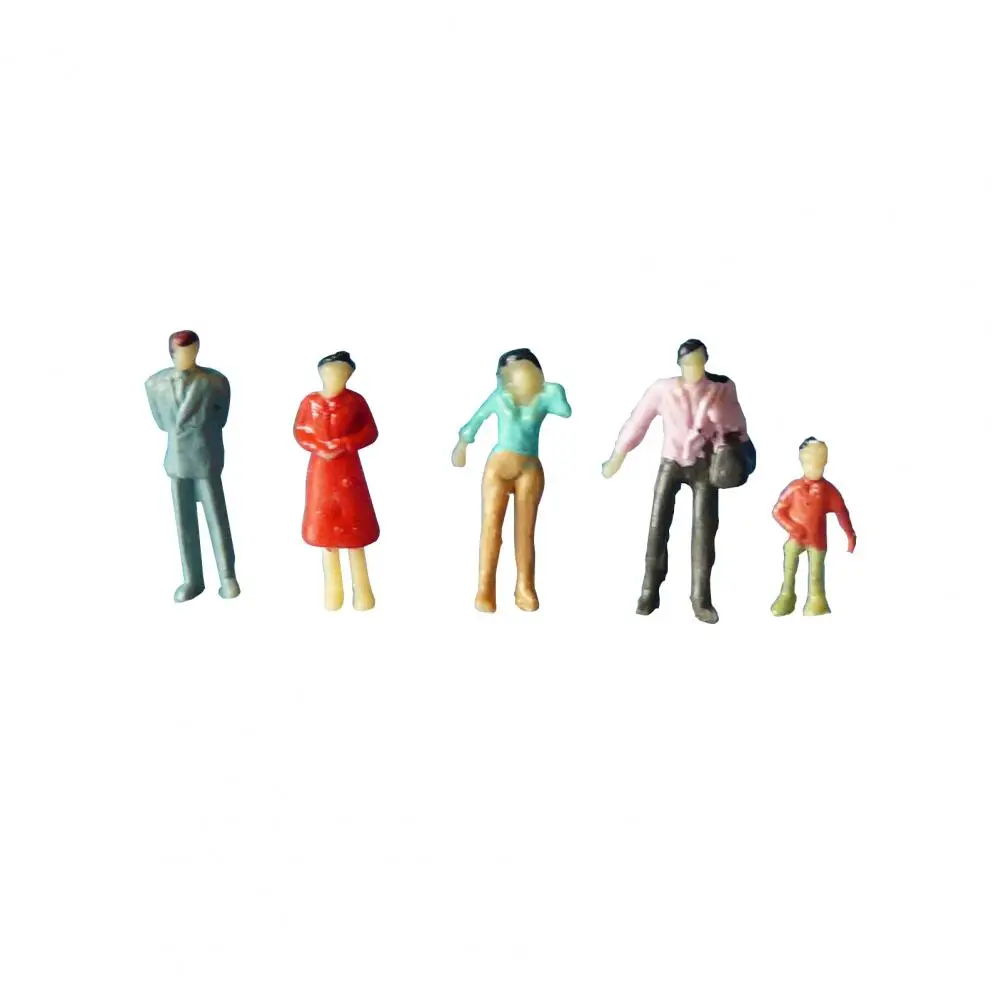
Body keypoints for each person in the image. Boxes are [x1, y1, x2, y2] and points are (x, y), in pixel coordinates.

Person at [602, 339, 749, 623]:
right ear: (679, 364)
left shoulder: (721, 388)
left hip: (705, 465)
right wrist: (617, 456)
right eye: (687, 363)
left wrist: (722, 424)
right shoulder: (663, 389)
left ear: (706, 361)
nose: (693, 368)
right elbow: (638, 422)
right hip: (671, 463)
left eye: (698, 362)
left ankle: (701, 598)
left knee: (704, 532)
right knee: (657, 526)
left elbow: (739, 427)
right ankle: (649, 590)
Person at [452, 349, 571, 612]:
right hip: (498, 468)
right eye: (505, 375)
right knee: (491, 528)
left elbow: (565, 411)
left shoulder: (544, 396)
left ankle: (525, 586)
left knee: (525, 532)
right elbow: (474, 422)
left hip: (529, 468)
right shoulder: (500, 397)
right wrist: (462, 446)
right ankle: (485, 588)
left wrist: (551, 389)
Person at [145, 330, 240, 602]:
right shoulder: (154, 384)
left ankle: (227, 576)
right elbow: (161, 422)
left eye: (192, 351)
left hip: (205, 453)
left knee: (216, 516)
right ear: (171, 353)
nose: (188, 356)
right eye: (181, 352)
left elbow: (221, 418)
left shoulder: (215, 381)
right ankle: (192, 578)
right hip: (176, 457)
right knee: (183, 520)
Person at [293, 351, 380, 611]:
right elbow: (300, 431)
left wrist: (346, 443)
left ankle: (363, 590)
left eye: (342, 374)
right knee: (326, 532)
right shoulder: (310, 402)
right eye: (331, 374)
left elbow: (370, 431)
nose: (336, 379)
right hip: (322, 473)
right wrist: (319, 446)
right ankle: (333, 592)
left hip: (348, 472)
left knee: (354, 527)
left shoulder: (355, 401)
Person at [770, 437, 856, 616]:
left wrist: (850, 535)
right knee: (789, 560)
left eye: (819, 462)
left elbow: (842, 513)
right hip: (796, 537)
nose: (814, 467)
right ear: (801, 461)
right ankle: (786, 595)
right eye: (810, 462)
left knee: (816, 572)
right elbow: (778, 511)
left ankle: (817, 600)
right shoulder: (794, 488)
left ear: (825, 461)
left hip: (817, 540)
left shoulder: (828, 491)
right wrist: (792, 527)